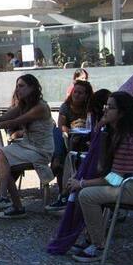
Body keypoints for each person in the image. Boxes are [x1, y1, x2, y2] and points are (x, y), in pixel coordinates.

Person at [68, 92, 133, 262]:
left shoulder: (129, 138)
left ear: (122, 113)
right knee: (89, 191)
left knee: (87, 195)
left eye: (111, 107)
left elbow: (115, 179)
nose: (105, 110)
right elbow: (104, 168)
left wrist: (82, 183)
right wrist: (101, 132)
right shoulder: (120, 133)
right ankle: (91, 238)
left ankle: (98, 246)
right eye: (106, 106)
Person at [0, 74, 54, 218]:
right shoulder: (24, 105)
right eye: (17, 86)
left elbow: (14, 122)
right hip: (27, 145)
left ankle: (7, 199)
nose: (17, 89)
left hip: (41, 150)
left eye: (21, 86)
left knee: (2, 159)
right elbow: (4, 117)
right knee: (1, 157)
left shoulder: (41, 107)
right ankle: (13, 203)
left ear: (32, 88)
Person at [48, 80, 94, 210]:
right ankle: (63, 193)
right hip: (68, 139)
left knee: (64, 158)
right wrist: (68, 129)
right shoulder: (66, 107)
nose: (76, 95)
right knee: (57, 133)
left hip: (85, 141)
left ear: (86, 95)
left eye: (80, 93)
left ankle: (63, 194)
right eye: (75, 92)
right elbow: (61, 126)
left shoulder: (90, 108)